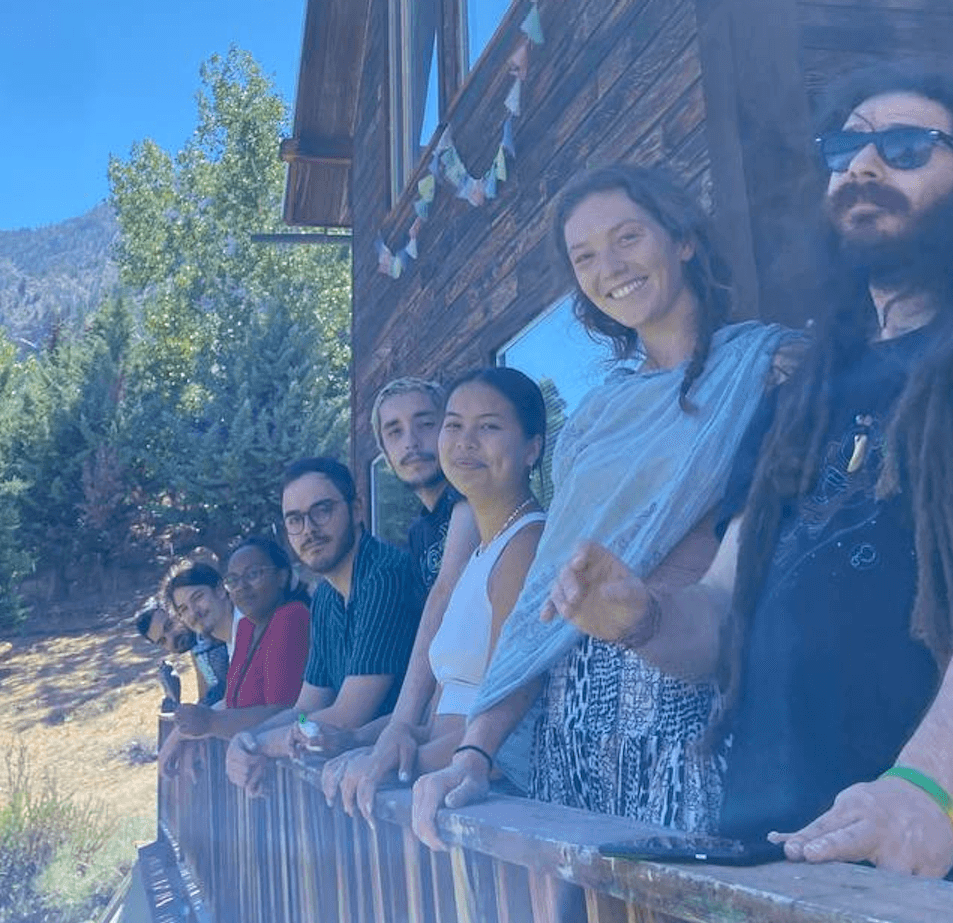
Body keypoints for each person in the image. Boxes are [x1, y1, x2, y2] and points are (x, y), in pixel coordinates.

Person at [544, 63, 953, 897]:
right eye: (845, 146)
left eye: (903, 145)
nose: (862, 165)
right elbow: (721, 613)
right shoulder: (798, 394)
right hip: (778, 857)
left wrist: (927, 788)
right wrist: (639, 617)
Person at [410, 164, 796, 848]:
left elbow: (757, 558)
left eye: (627, 238)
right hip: (573, 720)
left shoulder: (770, 369)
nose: (608, 267)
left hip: (691, 713)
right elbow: (545, 598)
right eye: (584, 257)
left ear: (681, 239)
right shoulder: (593, 419)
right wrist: (476, 751)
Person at [327, 369, 545, 809]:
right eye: (455, 425)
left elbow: (515, 718)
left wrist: (397, 766)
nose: (466, 441)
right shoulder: (478, 554)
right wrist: (376, 744)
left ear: (532, 449)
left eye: (489, 426)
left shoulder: (527, 545)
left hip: (499, 804)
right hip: (450, 794)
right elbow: (449, 708)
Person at [225, 457, 424, 795]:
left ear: (357, 508)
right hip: (362, 782)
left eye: (322, 511)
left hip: (413, 776)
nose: (309, 530)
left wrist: (263, 746)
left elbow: (348, 717)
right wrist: (246, 741)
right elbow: (306, 709)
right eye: (295, 520)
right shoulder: (325, 599)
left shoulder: (384, 575)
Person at [161, 536, 313, 775]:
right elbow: (233, 704)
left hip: (290, 771)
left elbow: (292, 713)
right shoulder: (245, 630)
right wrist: (190, 732)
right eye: (234, 580)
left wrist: (209, 724)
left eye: (253, 575)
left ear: (282, 577)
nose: (242, 587)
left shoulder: (291, 618)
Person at [372, 377, 463, 592]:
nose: (410, 442)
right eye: (395, 432)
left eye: (425, 424)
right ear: (385, 453)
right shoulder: (417, 535)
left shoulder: (477, 499)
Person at [164, 562, 235, 706]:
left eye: (197, 598)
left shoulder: (253, 627)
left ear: (220, 589)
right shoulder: (228, 643)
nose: (194, 612)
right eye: (183, 609)